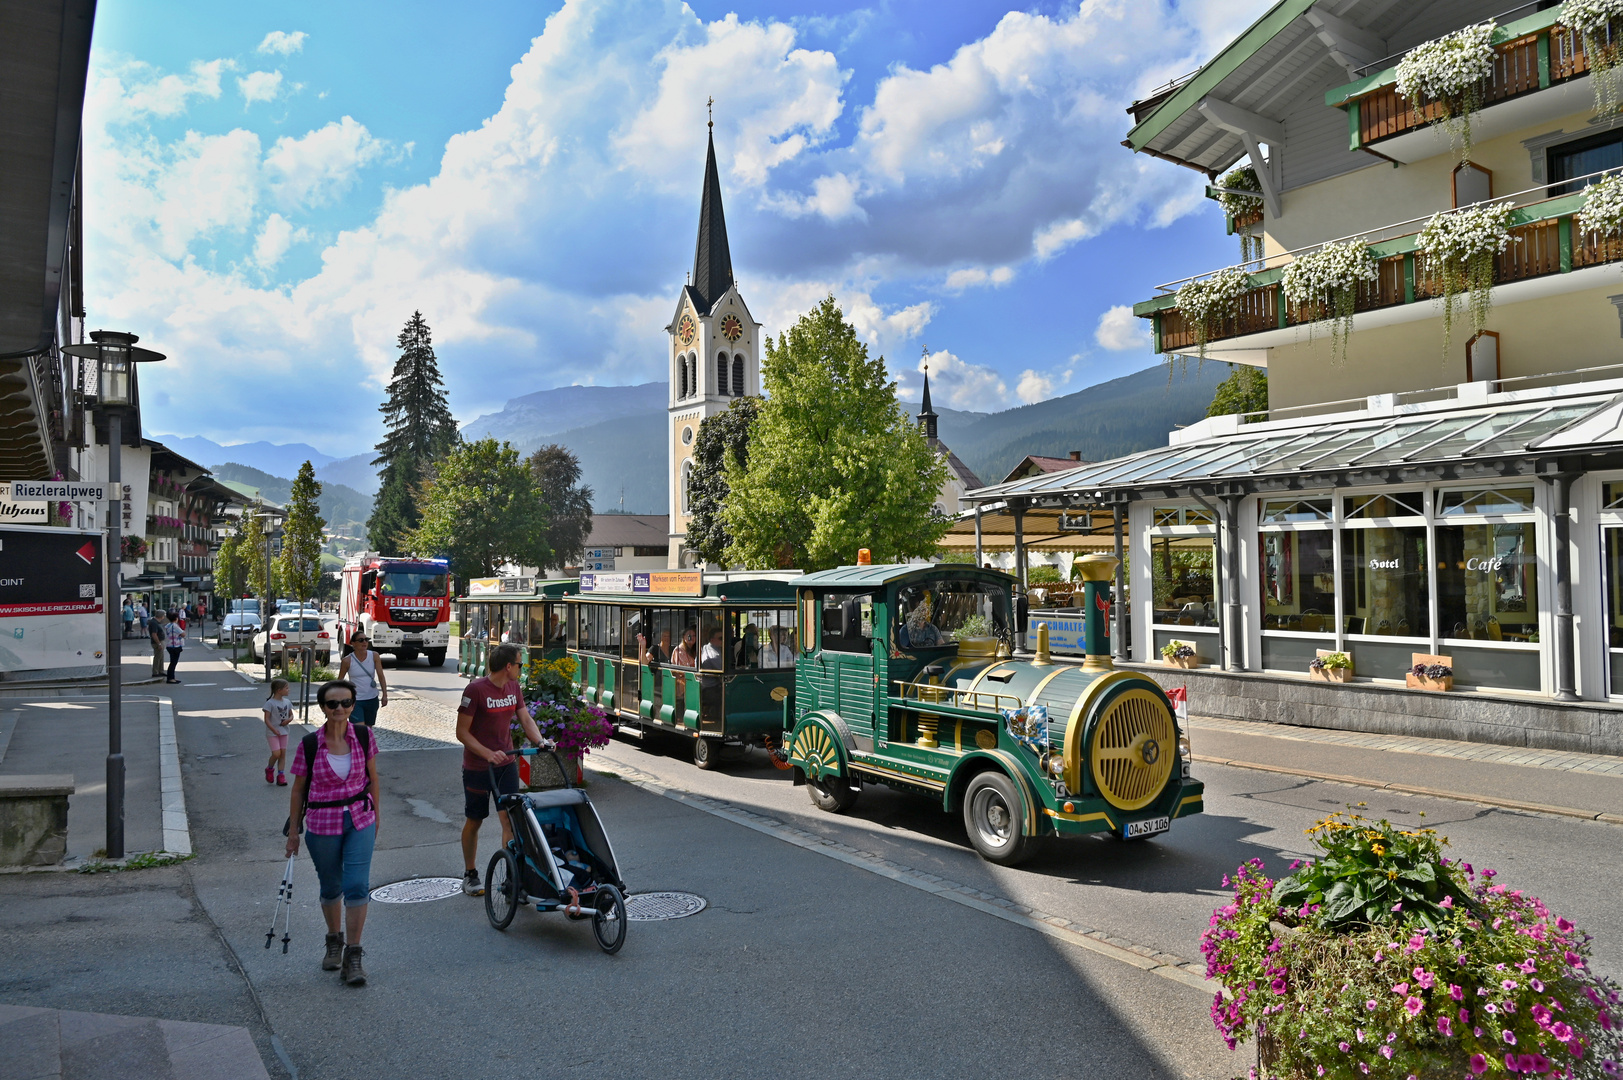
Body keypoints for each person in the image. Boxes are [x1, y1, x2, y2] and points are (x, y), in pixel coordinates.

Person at [285, 679, 379, 987]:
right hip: (322, 822)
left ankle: (354, 954)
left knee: (356, 885)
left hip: (359, 819)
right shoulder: (310, 744)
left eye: (346, 703)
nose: (339, 709)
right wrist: (293, 831)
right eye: (332, 704)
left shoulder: (364, 736)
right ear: (323, 707)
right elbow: (298, 790)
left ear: (353, 704)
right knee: (330, 885)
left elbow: (373, 778)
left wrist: (377, 816)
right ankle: (333, 939)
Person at [455, 643, 544, 898]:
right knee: (475, 820)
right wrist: (486, 753)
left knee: (509, 819)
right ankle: (470, 874)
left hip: (506, 765)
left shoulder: (514, 687)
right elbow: (461, 732)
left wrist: (540, 741)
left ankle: (511, 878)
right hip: (478, 767)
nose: (521, 668)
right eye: (520, 664)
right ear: (508, 666)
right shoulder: (475, 690)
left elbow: (525, 719)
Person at [337, 633, 387, 726]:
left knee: (368, 729)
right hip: (356, 700)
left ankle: (366, 741)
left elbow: (381, 676)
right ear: (353, 643)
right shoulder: (347, 661)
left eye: (366, 639)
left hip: (372, 699)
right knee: (359, 728)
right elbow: (340, 681)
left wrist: (385, 695)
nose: (364, 642)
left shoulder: (374, 656)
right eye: (361, 640)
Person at [263, 677, 293, 786]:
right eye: (286, 688)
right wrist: (273, 729)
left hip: (284, 731)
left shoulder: (287, 702)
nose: (288, 690)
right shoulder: (270, 703)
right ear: (279, 690)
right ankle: (269, 769)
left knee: (283, 754)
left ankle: (281, 775)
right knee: (276, 753)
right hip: (273, 732)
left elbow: (291, 714)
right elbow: (266, 719)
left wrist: (289, 720)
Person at [163, 610, 186, 683]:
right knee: (173, 662)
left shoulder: (168, 625)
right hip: (175, 645)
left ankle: (172, 677)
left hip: (169, 644)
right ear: (176, 618)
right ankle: (170, 678)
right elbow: (183, 634)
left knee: (172, 662)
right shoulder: (175, 626)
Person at [148, 610, 167, 678]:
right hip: (157, 642)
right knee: (158, 657)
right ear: (161, 616)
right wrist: (159, 644)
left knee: (161, 657)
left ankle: (160, 670)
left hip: (159, 641)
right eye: (164, 615)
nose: (164, 617)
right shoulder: (154, 623)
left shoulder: (155, 622)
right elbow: (154, 634)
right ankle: (155, 672)